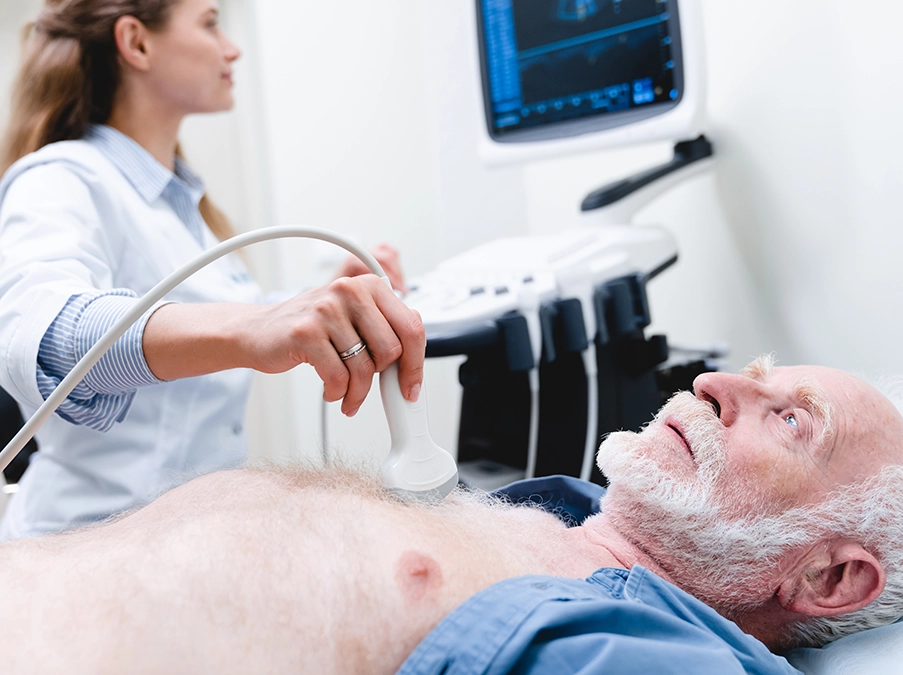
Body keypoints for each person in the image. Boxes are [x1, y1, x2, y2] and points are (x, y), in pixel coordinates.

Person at [1, 355, 902, 674]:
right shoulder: (550, 518)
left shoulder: (652, 653)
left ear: (827, 577)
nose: (715, 382)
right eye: (755, 369)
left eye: (790, 419)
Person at [0, 0, 423, 540]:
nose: (232, 47)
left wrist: (324, 299)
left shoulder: (177, 203)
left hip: (183, 542)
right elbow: (46, 332)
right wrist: (253, 329)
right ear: (137, 43)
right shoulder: (59, 178)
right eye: (209, 22)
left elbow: (218, 310)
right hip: (84, 552)